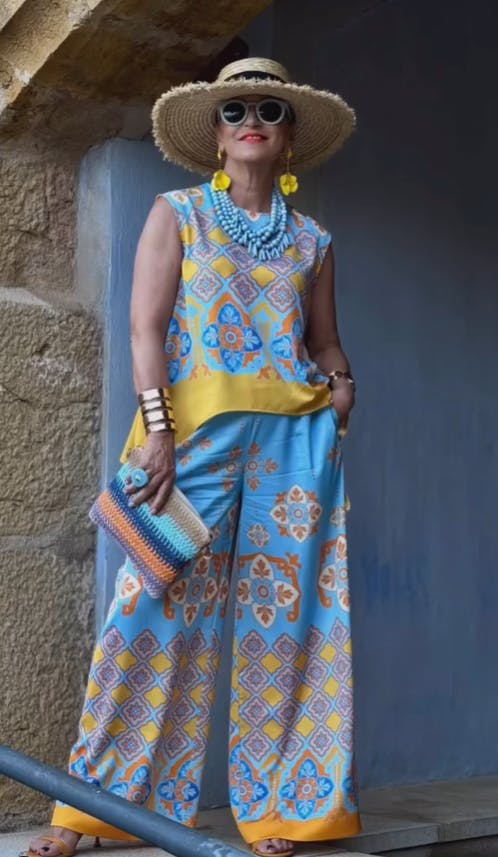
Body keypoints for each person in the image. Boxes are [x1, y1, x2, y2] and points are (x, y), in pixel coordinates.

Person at [25, 57, 360, 857]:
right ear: (215, 133)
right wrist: (159, 430)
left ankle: (282, 809)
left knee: (290, 622)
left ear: (289, 137)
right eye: (235, 109)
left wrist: (344, 384)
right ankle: (91, 811)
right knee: (148, 607)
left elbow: (323, 342)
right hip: (191, 441)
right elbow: (146, 328)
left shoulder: (313, 240)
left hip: (296, 443)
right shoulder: (177, 214)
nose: (252, 120)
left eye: (270, 109)